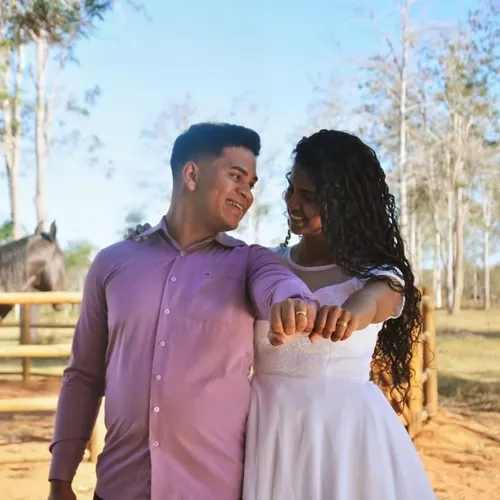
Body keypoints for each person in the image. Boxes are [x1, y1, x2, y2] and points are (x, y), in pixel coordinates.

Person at [128, 129, 436, 499]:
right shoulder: (263, 265)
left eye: (309, 197)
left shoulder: (377, 276)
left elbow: (372, 303)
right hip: (268, 428)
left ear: (344, 203)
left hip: (343, 434)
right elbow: (193, 275)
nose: (292, 202)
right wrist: (151, 243)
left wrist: (347, 315)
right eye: (292, 189)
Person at [47, 122, 321, 500]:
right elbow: (83, 375)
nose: (247, 194)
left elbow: (280, 285)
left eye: (252, 184)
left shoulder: (250, 262)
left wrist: (293, 302)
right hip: (119, 489)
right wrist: (60, 476)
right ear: (191, 174)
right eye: (236, 176)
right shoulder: (112, 263)